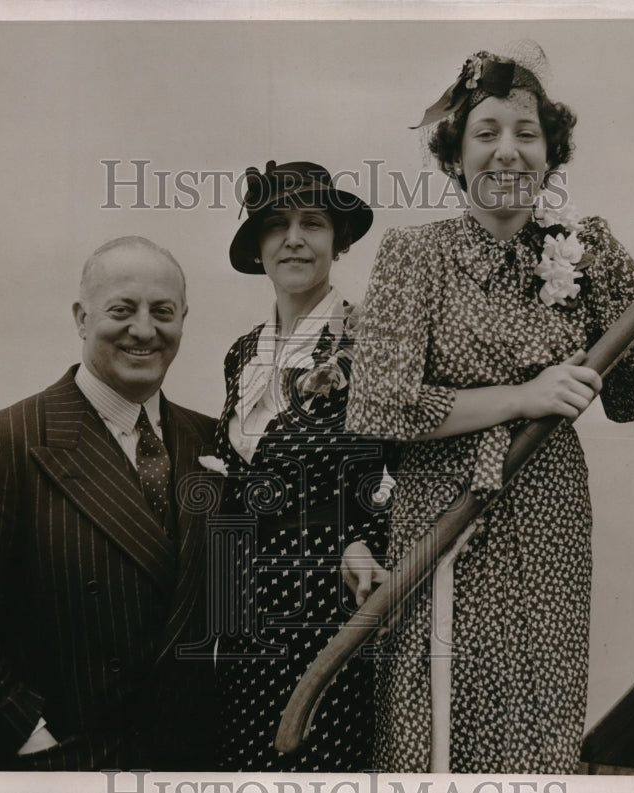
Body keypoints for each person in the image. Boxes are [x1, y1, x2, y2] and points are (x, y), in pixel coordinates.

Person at [346, 45, 634, 774]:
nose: (507, 150)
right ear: (455, 154)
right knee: (437, 712)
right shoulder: (414, 254)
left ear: (551, 152)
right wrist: (523, 397)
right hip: (444, 517)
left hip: (549, 519)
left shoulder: (588, 252)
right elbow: (380, 405)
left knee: (537, 712)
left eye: (527, 132)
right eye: (485, 132)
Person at [0, 236, 219, 771]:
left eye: (163, 312)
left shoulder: (210, 442)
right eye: (122, 310)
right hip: (57, 765)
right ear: (81, 318)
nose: (144, 329)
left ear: (183, 319)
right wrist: (30, 737)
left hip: (184, 767)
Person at [212, 161, 389, 771]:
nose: (293, 239)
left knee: (321, 762)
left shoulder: (372, 339)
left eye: (312, 223)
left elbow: (405, 464)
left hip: (332, 596)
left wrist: (365, 539)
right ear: (258, 247)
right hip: (244, 603)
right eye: (276, 225)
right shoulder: (241, 353)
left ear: (338, 242)